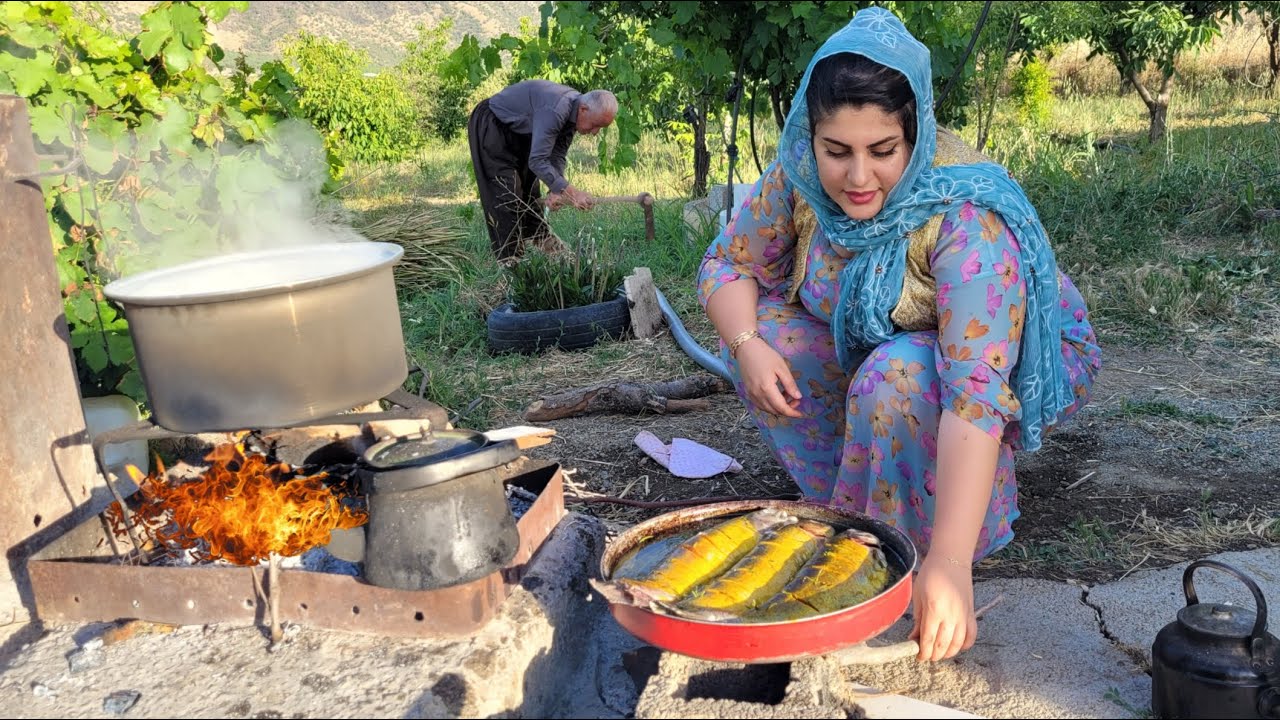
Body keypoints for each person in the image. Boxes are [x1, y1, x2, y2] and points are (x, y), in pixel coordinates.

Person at [696, 7, 1102, 663]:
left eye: (882, 152)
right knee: (770, 331)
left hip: (995, 360)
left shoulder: (963, 212)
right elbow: (728, 263)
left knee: (900, 378)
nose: (858, 178)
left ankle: (919, 555)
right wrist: (747, 344)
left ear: (916, 138)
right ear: (813, 135)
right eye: (838, 152)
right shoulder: (798, 176)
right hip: (884, 346)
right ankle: (859, 513)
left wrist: (951, 564)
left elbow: (975, 392)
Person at [467, 79, 618, 263]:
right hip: (494, 124)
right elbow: (538, 160)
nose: (595, 132)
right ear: (584, 109)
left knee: (529, 191)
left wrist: (556, 189)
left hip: (521, 131)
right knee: (506, 194)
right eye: (595, 125)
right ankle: (511, 262)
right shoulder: (555, 109)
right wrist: (572, 193)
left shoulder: (573, 115)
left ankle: (542, 241)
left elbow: (557, 156)